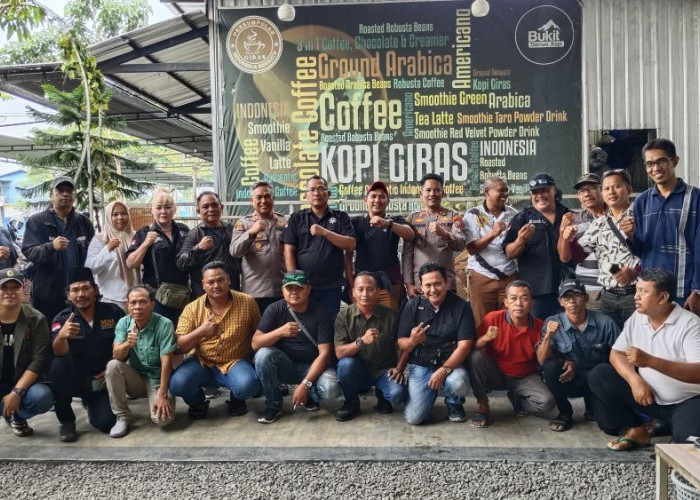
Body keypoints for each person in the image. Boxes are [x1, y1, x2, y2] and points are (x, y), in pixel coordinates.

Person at [588, 269, 700, 449]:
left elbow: (698, 373)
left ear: (663, 298)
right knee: (600, 375)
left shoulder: (690, 325)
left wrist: (650, 361)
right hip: (650, 398)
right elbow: (616, 353)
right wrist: (635, 380)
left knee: (687, 445)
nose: (636, 296)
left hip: (688, 401)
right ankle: (638, 431)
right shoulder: (638, 317)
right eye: (636, 290)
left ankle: (674, 428)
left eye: (643, 291)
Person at [169, 261, 261, 419]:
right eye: (210, 282)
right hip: (201, 361)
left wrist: (254, 360)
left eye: (220, 280)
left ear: (229, 280)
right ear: (203, 285)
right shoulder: (192, 308)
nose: (216, 285)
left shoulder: (247, 302)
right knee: (178, 384)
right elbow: (178, 348)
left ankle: (237, 401)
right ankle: (197, 403)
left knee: (249, 386)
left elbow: (258, 332)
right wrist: (200, 332)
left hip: (235, 361)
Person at [252, 270, 340, 424]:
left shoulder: (321, 312)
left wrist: (306, 384)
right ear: (283, 290)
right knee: (263, 355)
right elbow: (255, 343)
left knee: (331, 389)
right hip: (287, 366)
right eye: (289, 288)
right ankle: (274, 405)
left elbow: (324, 354)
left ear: (308, 289)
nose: (294, 292)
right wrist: (280, 332)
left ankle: (310, 394)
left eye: (299, 288)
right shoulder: (274, 309)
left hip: (313, 366)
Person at [48, 266, 125, 441]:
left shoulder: (113, 312)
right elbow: (58, 351)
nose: (81, 294)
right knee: (58, 365)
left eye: (85, 288)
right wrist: (62, 336)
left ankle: (91, 403)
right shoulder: (62, 318)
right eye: (75, 290)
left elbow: (126, 345)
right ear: (68, 295)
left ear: (95, 290)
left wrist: (112, 372)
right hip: (74, 379)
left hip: (101, 380)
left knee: (106, 423)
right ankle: (66, 421)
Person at [466, 280, 556, 428]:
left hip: (524, 376)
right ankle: (483, 405)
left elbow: (542, 361)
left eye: (524, 298)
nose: (518, 303)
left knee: (548, 403)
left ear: (532, 303)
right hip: (495, 374)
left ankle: (518, 399)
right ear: (506, 302)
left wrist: (547, 337)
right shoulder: (493, 318)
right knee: (475, 357)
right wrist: (486, 338)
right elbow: (473, 347)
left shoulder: (540, 326)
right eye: (513, 298)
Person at [560, 170, 640, 329]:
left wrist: (636, 271)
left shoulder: (642, 217)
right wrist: (570, 239)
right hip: (608, 296)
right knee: (609, 340)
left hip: (636, 294)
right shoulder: (599, 223)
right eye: (607, 188)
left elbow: (657, 255)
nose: (611, 192)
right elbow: (579, 256)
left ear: (629, 189)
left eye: (616, 186)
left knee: (638, 339)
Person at [537, 279, 620, 432]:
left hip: (597, 381)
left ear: (586, 298)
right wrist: (548, 336)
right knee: (550, 367)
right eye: (566, 297)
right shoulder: (552, 322)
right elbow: (542, 360)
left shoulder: (605, 323)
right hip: (571, 379)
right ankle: (565, 413)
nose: (572, 301)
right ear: (560, 302)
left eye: (577, 295)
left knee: (611, 427)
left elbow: (621, 356)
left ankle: (592, 404)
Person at [397, 262, 475, 425]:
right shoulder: (412, 305)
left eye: (437, 284)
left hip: (450, 362)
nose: (433, 290)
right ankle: (423, 397)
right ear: (421, 286)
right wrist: (412, 341)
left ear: (447, 282)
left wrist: (444, 370)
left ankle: (454, 404)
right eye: (428, 285)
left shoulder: (461, 307)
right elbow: (401, 342)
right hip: (421, 363)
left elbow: (465, 345)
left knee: (458, 381)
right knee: (414, 418)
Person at [631, 138, 700, 314]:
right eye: (649, 164)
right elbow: (641, 251)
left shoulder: (695, 198)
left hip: (684, 292)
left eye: (661, 161)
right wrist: (630, 236)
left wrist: (697, 290)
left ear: (674, 161)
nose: (655, 168)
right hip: (651, 292)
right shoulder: (642, 201)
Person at [105, 285, 177, 438]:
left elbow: (167, 361)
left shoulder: (164, 324)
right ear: (127, 305)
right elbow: (116, 355)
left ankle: (160, 397)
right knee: (112, 366)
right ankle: (122, 416)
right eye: (133, 302)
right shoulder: (123, 323)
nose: (137, 307)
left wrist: (162, 395)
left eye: (142, 302)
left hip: (157, 380)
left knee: (163, 420)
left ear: (152, 304)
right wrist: (127, 344)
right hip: (135, 378)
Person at [334, 272, 407, 421]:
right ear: (353, 292)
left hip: (384, 371)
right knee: (345, 365)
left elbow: (403, 346)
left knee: (398, 395)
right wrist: (361, 341)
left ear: (378, 291)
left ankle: (382, 398)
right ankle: (351, 402)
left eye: (370, 289)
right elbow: (339, 353)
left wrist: (399, 368)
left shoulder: (391, 315)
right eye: (360, 289)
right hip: (358, 370)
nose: (365, 294)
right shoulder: (344, 316)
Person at [22, 176, 94, 324]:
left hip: (78, 294)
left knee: (78, 333)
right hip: (48, 294)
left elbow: (93, 254)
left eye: (69, 191)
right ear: (51, 195)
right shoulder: (37, 221)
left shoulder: (84, 222)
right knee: (48, 333)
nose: (65, 194)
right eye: (60, 191)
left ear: (75, 196)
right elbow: (29, 252)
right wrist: (51, 247)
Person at [282, 176, 355, 317]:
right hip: (304, 285)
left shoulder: (341, 217)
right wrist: (294, 281)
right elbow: (288, 250)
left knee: (329, 323)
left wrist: (325, 232)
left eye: (321, 189)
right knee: (303, 324)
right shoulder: (297, 218)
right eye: (312, 189)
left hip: (331, 286)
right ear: (306, 195)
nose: (317, 193)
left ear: (329, 193)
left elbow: (351, 244)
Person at [503, 173, 572, 319]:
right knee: (535, 331)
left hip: (566, 290)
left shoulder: (568, 216)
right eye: (535, 192)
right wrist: (520, 240)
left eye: (545, 190)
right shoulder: (523, 218)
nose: (540, 195)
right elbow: (509, 253)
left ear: (554, 190)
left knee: (565, 330)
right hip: (534, 293)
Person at [0, 268, 54, 437]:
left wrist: (16, 392)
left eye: (15, 287)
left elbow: (38, 360)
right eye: (3, 287)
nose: (9, 292)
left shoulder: (36, 319)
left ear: (23, 290)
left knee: (42, 397)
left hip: (22, 382)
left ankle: (16, 415)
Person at [345, 181, 415, 311]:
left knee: (389, 322)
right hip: (363, 287)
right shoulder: (355, 222)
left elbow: (410, 235)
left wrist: (388, 224)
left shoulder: (395, 221)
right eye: (373, 196)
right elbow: (348, 256)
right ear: (365, 200)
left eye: (382, 197)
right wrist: (352, 286)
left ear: (388, 201)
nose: (377, 200)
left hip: (389, 286)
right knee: (362, 321)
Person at [126, 188, 190, 327]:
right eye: (159, 207)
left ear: (174, 209)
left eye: (167, 207)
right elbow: (130, 263)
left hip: (182, 295)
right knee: (160, 334)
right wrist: (146, 244)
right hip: (157, 298)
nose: (163, 211)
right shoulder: (144, 233)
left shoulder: (183, 230)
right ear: (152, 210)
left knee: (183, 332)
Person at [463, 176, 518, 324]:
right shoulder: (473, 214)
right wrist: (493, 234)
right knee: (483, 324)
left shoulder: (513, 214)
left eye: (506, 190)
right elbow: (471, 248)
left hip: (509, 276)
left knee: (509, 324)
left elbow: (516, 246)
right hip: (482, 276)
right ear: (487, 192)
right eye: (501, 190)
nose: (505, 194)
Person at [402, 174, 466, 297]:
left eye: (437, 190)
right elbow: (407, 254)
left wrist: (444, 234)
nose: (432, 194)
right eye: (428, 190)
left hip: (446, 284)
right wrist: (409, 284)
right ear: (421, 194)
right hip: (420, 286)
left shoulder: (454, 216)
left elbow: (460, 245)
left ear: (443, 193)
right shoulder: (412, 219)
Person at [230, 181, 287, 314]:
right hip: (254, 293)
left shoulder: (284, 222)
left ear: (273, 198)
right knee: (256, 327)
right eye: (259, 197)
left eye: (267, 196)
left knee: (281, 326)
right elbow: (234, 251)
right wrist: (251, 232)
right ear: (252, 200)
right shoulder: (244, 223)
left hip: (281, 290)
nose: (263, 201)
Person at [177, 191, 241, 298]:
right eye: (205, 206)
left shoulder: (231, 230)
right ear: (198, 211)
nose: (211, 209)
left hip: (232, 292)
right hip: (205, 296)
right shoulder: (195, 234)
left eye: (214, 205)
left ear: (221, 207)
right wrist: (198, 248)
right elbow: (181, 263)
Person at [557, 173, 606, 311]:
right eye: (582, 191)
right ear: (578, 196)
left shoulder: (615, 214)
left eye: (591, 188)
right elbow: (564, 258)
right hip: (588, 289)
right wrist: (563, 232)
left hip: (616, 288)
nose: (587, 194)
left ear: (601, 189)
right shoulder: (575, 220)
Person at [85, 201, 141, 310]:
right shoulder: (101, 239)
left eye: (124, 213)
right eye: (115, 214)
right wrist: (107, 249)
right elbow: (90, 269)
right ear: (108, 217)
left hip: (136, 298)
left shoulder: (137, 237)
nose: (120, 217)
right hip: (111, 299)